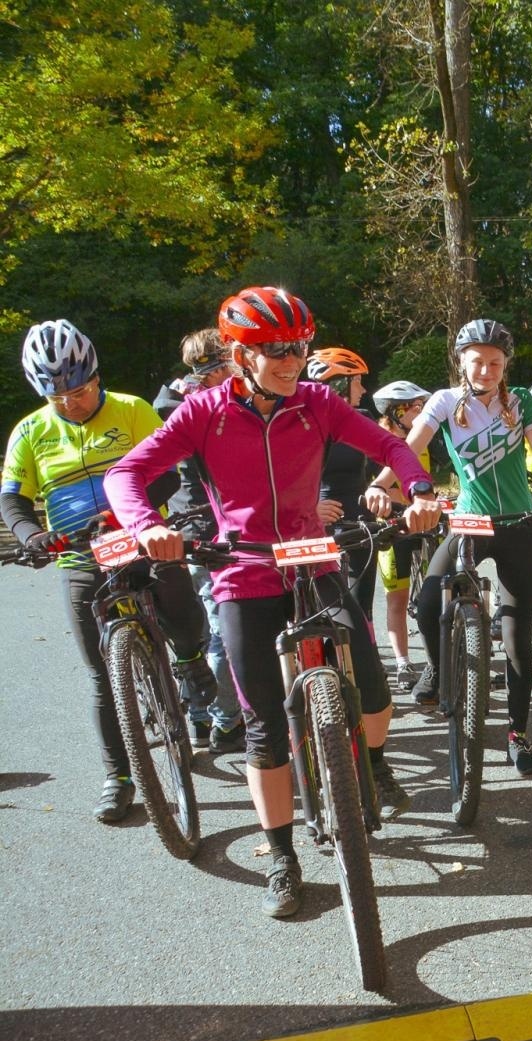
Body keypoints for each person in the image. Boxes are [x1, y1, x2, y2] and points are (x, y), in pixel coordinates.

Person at [105, 286, 439, 919]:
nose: (292, 361)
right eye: (276, 350)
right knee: (262, 724)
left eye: (299, 347)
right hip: (241, 572)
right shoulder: (203, 412)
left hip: (312, 561)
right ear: (239, 355)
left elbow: (392, 448)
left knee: (371, 688)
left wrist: (418, 490)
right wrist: (146, 524)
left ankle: (372, 761)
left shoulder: (316, 403)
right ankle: (281, 854)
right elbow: (125, 474)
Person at [3, 320, 215, 823]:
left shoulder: (132, 409)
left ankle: (187, 658)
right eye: (57, 396)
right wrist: (32, 535)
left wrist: (127, 514)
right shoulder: (31, 431)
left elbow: (165, 473)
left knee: (180, 605)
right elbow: (12, 497)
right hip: (79, 555)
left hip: (139, 538)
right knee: (101, 675)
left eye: (78, 390)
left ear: (96, 377)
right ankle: (118, 776)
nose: (70, 402)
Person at [366, 319, 532, 775]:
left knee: (516, 638)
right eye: (477, 362)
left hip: (520, 526)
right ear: (461, 363)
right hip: (469, 523)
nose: (486, 370)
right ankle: (437, 669)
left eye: (495, 362)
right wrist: (379, 484)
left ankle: (518, 734)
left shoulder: (521, 400)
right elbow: (409, 448)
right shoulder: (445, 402)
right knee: (427, 603)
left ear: (505, 365)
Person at [152, 328, 245, 752]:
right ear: (214, 370)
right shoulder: (201, 409)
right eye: (229, 365)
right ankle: (224, 719)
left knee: (209, 627)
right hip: (214, 528)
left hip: (189, 527)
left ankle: (201, 716)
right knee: (226, 629)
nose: (235, 373)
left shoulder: (168, 404)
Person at [370, 379, 434, 690]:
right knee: (397, 599)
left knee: (432, 598)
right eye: (416, 409)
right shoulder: (379, 442)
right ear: (397, 412)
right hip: (392, 531)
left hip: (423, 527)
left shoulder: (420, 439)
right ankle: (402, 662)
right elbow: (376, 490)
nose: (422, 414)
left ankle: (436, 661)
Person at [307, 347, 380, 618]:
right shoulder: (302, 424)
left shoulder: (363, 419)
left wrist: (383, 491)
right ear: (337, 385)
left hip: (360, 520)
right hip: (317, 522)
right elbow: (281, 478)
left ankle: (366, 659)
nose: (362, 390)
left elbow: (383, 465)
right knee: (320, 608)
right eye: (356, 381)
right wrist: (311, 507)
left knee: (362, 609)